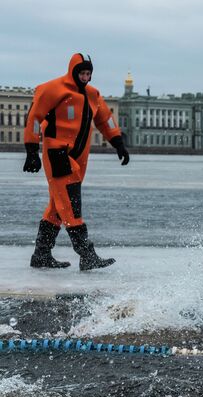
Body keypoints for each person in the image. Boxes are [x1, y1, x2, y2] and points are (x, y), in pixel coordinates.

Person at [23, 53, 129, 271]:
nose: (85, 76)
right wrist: (31, 150)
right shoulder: (54, 90)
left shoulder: (92, 95)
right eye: (82, 72)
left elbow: (105, 119)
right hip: (57, 154)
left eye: (88, 73)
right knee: (71, 204)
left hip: (79, 157)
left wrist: (118, 143)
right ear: (73, 71)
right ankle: (86, 254)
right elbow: (34, 117)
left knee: (57, 207)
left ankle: (41, 254)